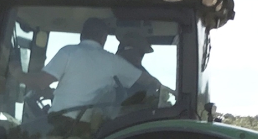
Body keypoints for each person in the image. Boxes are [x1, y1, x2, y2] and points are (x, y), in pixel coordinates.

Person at [12, 17, 160, 115]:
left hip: (61, 125)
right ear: (103, 38)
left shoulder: (68, 52)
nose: (119, 51)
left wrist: (18, 74)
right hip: (88, 128)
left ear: (82, 34)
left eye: (123, 48)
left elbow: (41, 82)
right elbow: (152, 82)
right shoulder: (114, 62)